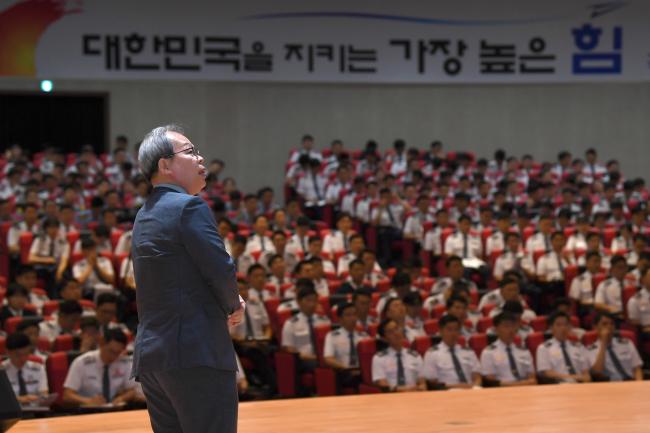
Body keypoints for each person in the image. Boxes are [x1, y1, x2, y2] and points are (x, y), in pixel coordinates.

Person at [132, 125, 243, 433]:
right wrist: (234, 305)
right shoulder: (188, 206)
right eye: (190, 151)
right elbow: (220, 268)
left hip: (154, 357)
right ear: (165, 165)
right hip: (195, 352)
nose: (200, 157)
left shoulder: (143, 215)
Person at [63, 329, 145, 408]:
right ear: (102, 343)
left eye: (118, 352)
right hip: (88, 411)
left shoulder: (125, 362)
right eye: (111, 351)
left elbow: (132, 390)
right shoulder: (82, 362)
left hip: (115, 410)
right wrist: (88, 401)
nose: (114, 356)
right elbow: (67, 395)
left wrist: (121, 398)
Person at [281, 283, 331, 373]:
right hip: (303, 360)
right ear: (299, 302)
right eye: (308, 300)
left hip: (324, 358)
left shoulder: (324, 321)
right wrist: (309, 357)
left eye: (315, 300)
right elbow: (288, 348)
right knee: (318, 365)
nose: (312, 304)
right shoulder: (291, 323)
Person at [422, 315, 481, 389]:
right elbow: (432, 383)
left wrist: (475, 386)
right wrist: (459, 387)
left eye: (456, 330)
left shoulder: (468, 351)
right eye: (449, 330)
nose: (453, 333)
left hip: (471, 390)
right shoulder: (432, 354)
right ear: (440, 331)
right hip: (447, 392)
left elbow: (477, 376)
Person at [480, 312, 537, 387]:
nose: (511, 330)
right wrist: (517, 385)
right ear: (496, 329)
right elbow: (491, 382)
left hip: (525, 389)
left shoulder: (524, 351)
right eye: (506, 326)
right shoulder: (488, 352)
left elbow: (533, 378)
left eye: (513, 326)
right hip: (502, 392)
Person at [535, 311, 591, 384]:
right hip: (559, 386)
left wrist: (586, 380)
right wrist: (571, 378)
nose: (563, 328)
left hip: (581, 385)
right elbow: (547, 373)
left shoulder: (579, 347)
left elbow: (586, 372)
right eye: (559, 325)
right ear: (551, 328)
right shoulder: (543, 348)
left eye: (566, 324)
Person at [371, 318, 426, 392]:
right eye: (390, 332)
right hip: (391, 397)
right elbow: (383, 385)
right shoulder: (379, 358)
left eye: (397, 329)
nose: (396, 333)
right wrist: (402, 390)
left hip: (414, 396)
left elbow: (422, 382)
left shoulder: (415, 356)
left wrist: (421, 388)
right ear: (384, 338)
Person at [586, 313, 643, 381]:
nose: (609, 326)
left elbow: (637, 369)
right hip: (612, 385)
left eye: (612, 324)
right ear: (595, 327)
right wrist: (604, 343)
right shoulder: (590, 349)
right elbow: (597, 372)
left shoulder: (626, 343)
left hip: (632, 382)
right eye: (604, 324)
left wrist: (639, 384)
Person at [323, 302, 367, 390]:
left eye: (354, 314)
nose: (353, 318)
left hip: (361, 371)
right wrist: (346, 369)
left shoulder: (364, 336)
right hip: (344, 372)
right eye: (348, 315)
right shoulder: (332, 336)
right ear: (340, 319)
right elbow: (328, 359)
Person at [1, 332, 49, 405]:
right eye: (18, 355)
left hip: (36, 412)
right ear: (8, 352)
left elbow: (44, 394)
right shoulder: (2, 371)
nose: (23, 359)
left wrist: (42, 398)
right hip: (9, 413)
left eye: (26, 354)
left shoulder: (38, 368)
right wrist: (20, 399)